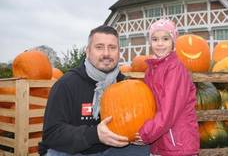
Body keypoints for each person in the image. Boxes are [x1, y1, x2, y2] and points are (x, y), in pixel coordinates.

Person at [39, 25, 150, 156]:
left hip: (113, 150)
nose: (106, 53)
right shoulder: (66, 84)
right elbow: (51, 133)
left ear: (119, 52)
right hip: (76, 151)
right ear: (88, 51)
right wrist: (95, 134)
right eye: (99, 47)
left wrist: (143, 135)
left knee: (143, 150)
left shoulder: (128, 85)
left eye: (112, 48)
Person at [135, 19, 200, 155]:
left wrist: (145, 133)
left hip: (178, 143)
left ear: (173, 41)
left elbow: (168, 111)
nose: (160, 44)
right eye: (155, 39)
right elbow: (148, 105)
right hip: (161, 141)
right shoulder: (151, 70)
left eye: (165, 39)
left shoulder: (175, 69)